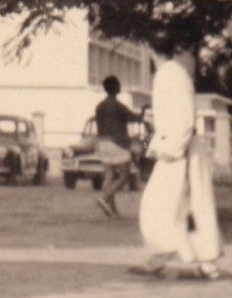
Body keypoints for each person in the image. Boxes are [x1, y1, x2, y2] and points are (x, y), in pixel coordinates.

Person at [133, 47, 222, 280]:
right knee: (171, 206)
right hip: (176, 147)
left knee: (183, 206)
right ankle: (164, 256)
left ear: (153, 51)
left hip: (179, 151)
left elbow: (183, 119)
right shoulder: (173, 73)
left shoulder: (170, 75)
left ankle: (203, 262)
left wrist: (173, 149)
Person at [91, 76, 139, 219]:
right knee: (124, 176)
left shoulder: (99, 106)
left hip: (103, 142)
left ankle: (113, 211)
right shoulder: (118, 106)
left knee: (109, 175)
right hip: (117, 143)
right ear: (115, 88)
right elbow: (133, 118)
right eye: (118, 85)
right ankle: (104, 198)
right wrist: (142, 114)